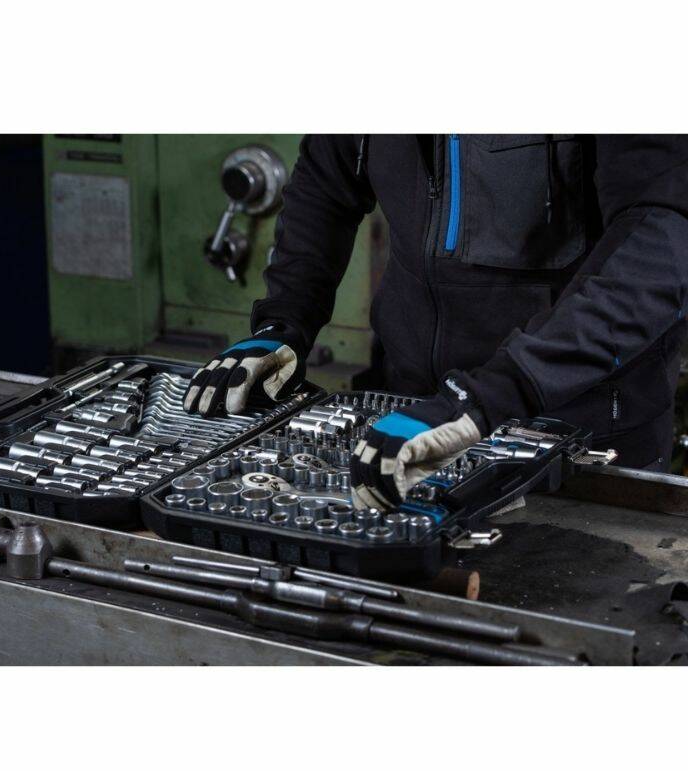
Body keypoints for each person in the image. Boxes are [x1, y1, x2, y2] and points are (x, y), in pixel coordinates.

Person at [183, 134, 688, 509]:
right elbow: (326, 182)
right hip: (412, 412)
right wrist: (283, 321)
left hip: (580, 431)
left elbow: (661, 245)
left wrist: (496, 394)